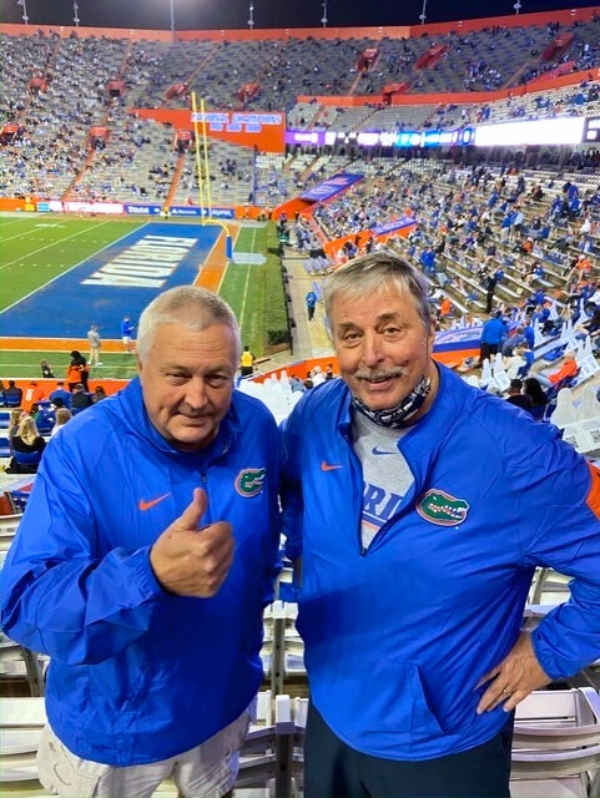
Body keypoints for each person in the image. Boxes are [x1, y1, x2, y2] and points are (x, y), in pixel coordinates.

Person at [280, 252, 600, 799]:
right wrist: (310, 568)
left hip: (444, 740)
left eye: (391, 329)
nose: (371, 356)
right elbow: (295, 501)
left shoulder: (516, 451)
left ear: (430, 328)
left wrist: (548, 654)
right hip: (333, 706)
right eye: (351, 335)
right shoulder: (314, 415)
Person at [0, 286, 280, 798]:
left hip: (221, 708)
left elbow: (264, 549)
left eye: (217, 378)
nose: (198, 399)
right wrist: (148, 576)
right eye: (178, 375)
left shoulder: (257, 426)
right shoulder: (82, 448)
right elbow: (23, 605)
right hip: (110, 732)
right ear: (141, 365)